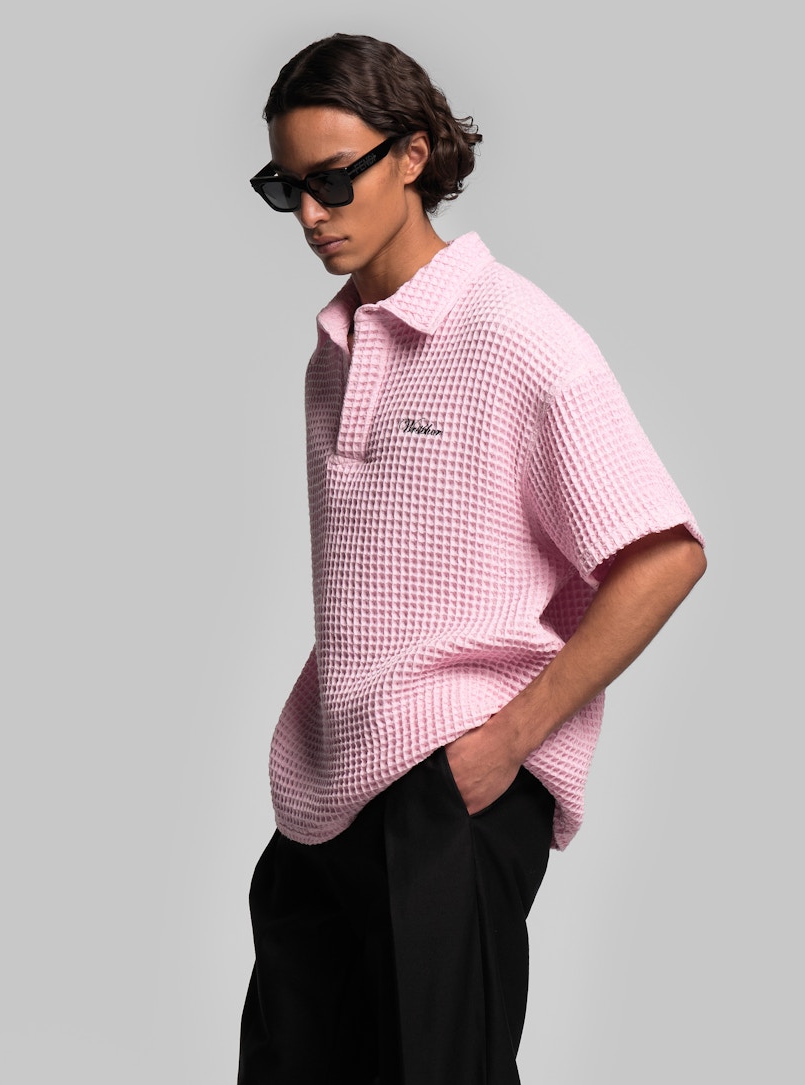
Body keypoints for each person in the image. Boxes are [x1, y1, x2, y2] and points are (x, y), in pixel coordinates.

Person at [238, 32, 706, 1085]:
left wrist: (507, 741)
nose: (310, 213)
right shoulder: (330, 356)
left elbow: (665, 553)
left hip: (451, 787)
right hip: (326, 783)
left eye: (331, 179)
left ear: (411, 155)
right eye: (285, 187)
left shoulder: (516, 334)